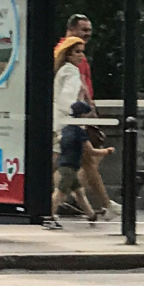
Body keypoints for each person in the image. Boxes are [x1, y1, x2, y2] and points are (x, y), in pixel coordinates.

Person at [51, 35, 92, 225]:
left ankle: (90, 212)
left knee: (71, 172)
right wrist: (80, 108)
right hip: (66, 126)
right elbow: (67, 100)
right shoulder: (72, 72)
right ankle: (49, 212)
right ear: (68, 55)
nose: (81, 56)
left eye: (82, 51)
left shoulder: (63, 71)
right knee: (62, 168)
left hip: (58, 123)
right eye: (77, 52)